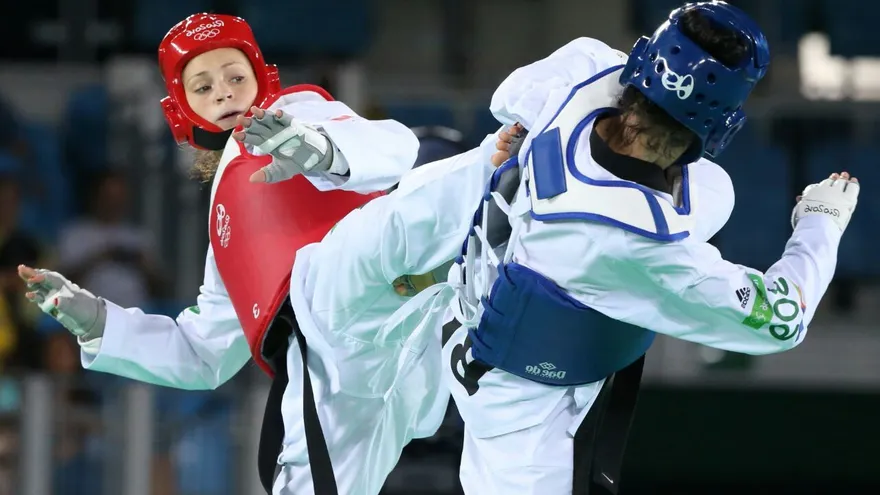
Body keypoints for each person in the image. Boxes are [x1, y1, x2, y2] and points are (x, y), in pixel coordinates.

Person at [442, 2, 860, 494]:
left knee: (712, 188)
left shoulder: (585, 66)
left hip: (487, 288)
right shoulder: (640, 245)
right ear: (722, 119)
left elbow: (506, 98)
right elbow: (782, 321)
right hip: (518, 409)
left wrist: (530, 139)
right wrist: (821, 220)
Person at [18, 12, 419, 495]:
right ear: (180, 109)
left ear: (261, 79)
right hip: (345, 363)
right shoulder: (228, 221)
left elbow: (397, 147)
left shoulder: (303, 112)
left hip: (419, 303)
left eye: (235, 76)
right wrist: (100, 324)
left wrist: (321, 152)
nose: (224, 92)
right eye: (203, 87)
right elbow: (203, 353)